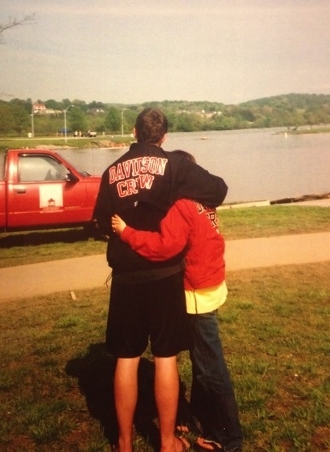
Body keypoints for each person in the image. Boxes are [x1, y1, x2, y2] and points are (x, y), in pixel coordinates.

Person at [92, 109, 227, 452]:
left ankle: (124, 444)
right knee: (166, 357)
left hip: (126, 278)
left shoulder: (110, 173)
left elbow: (99, 225)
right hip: (165, 277)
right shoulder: (175, 166)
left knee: (127, 357)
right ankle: (168, 443)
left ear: (134, 131)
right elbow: (218, 189)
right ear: (164, 137)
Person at [111, 150, 243, 452]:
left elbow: (163, 247)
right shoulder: (204, 201)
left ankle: (229, 438)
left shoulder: (181, 206)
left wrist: (127, 232)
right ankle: (201, 419)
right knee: (201, 361)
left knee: (210, 368)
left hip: (196, 293)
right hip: (210, 285)